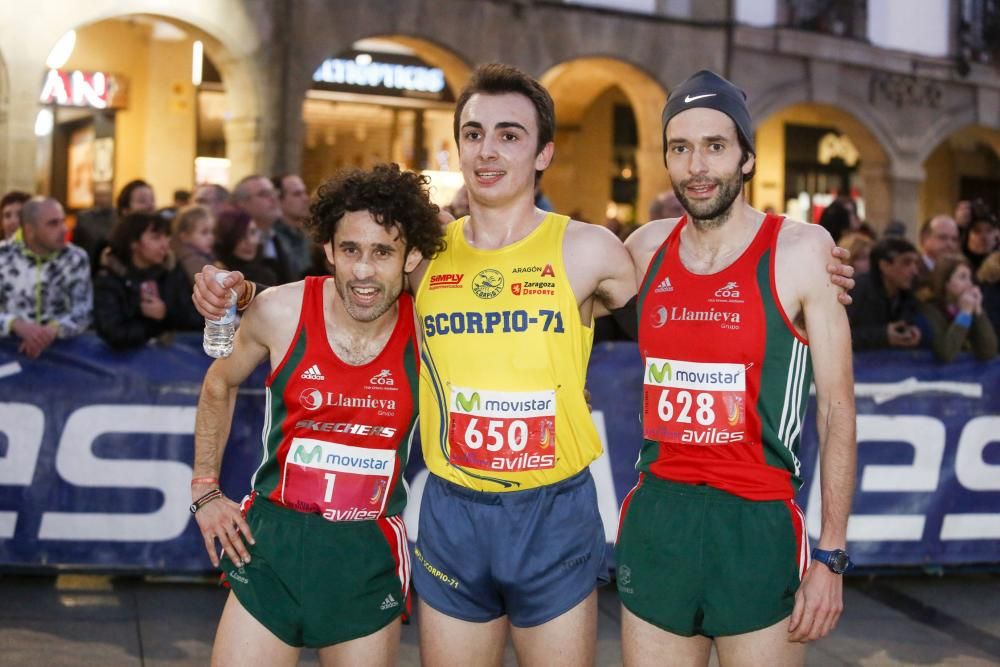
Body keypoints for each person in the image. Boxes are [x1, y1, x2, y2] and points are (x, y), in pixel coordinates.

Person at [193, 63, 856, 667]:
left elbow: (709, 281)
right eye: (475, 132)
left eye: (509, 135)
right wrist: (237, 293)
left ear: (543, 151)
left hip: (557, 516)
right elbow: (340, 292)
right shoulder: (421, 258)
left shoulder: (597, 250)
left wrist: (814, 270)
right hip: (455, 515)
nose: (488, 149)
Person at [618, 70, 857, 667]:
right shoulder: (643, 249)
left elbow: (836, 409)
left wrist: (830, 557)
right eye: (681, 148)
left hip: (757, 525)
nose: (697, 165)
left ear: (747, 159)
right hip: (659, 521)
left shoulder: (803, 252)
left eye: (716, 147)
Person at [190, 164, 444, 666]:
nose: (364, 271)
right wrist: (205, 489)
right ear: (329, 250)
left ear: (411, 255)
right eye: (350, 250)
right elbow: (219, 381)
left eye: (382, 251)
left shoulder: (435, 326)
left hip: (365, 551)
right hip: (271, 545)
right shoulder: (281, 311)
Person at [93, 212, 202, 349]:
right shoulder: (109, 279)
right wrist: (150, 322)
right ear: (133, 243)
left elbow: (194, 318)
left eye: (166, 237)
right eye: (156, 238)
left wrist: (165, 313)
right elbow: (114, 332)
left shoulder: (171, 271)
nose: (164, 244)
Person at [0, 197, 92, 358]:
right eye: (53, 224)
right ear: (30, 230)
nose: (64, 229)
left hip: (64, 357)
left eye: (63, 221)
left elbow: (84, 311)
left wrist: (51, 331)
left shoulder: (76, 258)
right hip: (8, 355)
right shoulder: (3, 256)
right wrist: (14, 324)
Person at [916, 253, 997, 362]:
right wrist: (964, 314)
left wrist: (978, 311)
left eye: (970, 278)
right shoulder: (928, 309)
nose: (969, 284)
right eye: (962, 277)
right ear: (946, 283)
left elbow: (989, 352)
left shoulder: (967, 307)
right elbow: (946, 353)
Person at [846, 237, 923, 350]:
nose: (914, 270)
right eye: (906, 263)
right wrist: (883, 335)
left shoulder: (908, 296)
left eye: (915, 263)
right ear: (884, 266)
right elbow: (839, 336)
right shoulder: (857, 291)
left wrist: (914, 334)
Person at [233, 175, 297, 284]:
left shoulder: (279, 239)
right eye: (264, 194)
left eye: (274, 193)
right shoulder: (234, 243)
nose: (274, 199)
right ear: (242, 203)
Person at [214, 207, 279, 285]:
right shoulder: (216, 275)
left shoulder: (267, 276)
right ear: (228, 237)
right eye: (241, 235)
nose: (250, 241)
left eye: (253, 232)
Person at [171, 205, 216, 284]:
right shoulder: (192, 262)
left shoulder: (202, 256)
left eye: (211, 231)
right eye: (204, 232)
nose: (211, 237)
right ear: (185, 237)